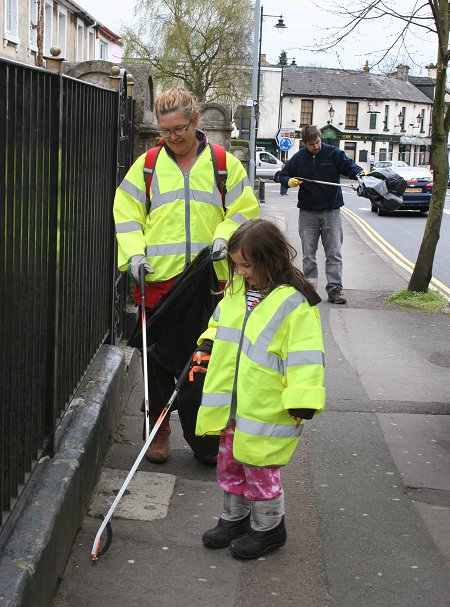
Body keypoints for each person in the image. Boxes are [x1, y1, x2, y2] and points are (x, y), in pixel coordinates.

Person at [113, 86, 259, 464]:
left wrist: (225, 239)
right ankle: (158, 429)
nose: (173, 137)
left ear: (195, 120)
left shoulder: (225, 164)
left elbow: (244, 211)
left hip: (213, 282)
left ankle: (206, 435)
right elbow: (128, 216)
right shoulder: (146, 166)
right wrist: (134, 257)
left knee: (210, 357)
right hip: (158, 279)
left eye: (179, 128)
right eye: (165, 131)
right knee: (158, 360)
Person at [195, 219, 325, 559]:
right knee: (231, 463)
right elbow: (220, 324)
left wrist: (303, 400)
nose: (238, 272)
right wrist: (207, 345)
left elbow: (306, 358)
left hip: (268, 406)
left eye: (246, 265)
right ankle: (234, 519)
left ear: (269, 260)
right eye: (235, 265)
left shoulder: (295, 304)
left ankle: (268, 529)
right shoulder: (237, 290)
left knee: (260, 467)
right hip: (233, 402)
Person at [279, 125, 363, 304]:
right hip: (308, 212)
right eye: (311, 144)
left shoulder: (334, 154)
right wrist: (288, 181)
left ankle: (335, 290)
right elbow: (280, 175)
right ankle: (310, 290)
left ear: (320, 138)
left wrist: (360, 174)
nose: (316, 147)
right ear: (304, 144)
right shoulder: (299, 158)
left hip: (331, 211)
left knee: (334, 253)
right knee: (309, 255)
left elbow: (351, 167)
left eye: (317, 142)